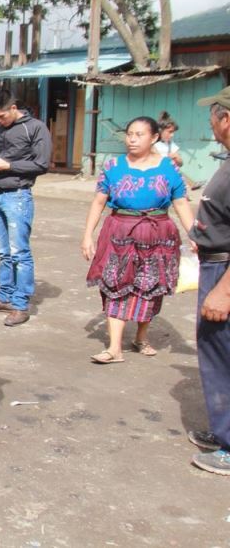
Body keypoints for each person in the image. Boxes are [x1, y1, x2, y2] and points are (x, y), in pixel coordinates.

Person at [80, 117, 195, 364]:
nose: (132, 139)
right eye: (129, 134)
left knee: (150, 286)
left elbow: (181, 203)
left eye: (139, 134)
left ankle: (141, 337)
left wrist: (196, 235)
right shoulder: (113, 167)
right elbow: (99, 202)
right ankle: (114, 348)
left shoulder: (168, 168)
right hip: (119, 232)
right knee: (114, 284)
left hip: (158, 234)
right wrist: (88, 235)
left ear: (154, 137)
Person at [0, 88, 52, 327]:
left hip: (17, 196)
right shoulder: (0, 129)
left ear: (13, 108)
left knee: (20, 253)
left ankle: (21, 305)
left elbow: (41, 164)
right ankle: (5, 297)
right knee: (3, 253)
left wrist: (8, 165)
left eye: (1, 116)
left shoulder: (36, 127)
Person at [186, 86, 230, 475]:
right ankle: (223, 430)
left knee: (225, 352)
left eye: (213, 117)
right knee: (215, 351)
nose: (210, 123)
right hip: (215, 264)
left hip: (226, 273)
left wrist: (225, 289)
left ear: (226, 119)